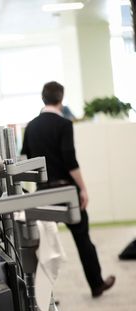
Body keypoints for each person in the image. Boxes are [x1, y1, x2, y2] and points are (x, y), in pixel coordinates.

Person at [21, 81, 115, 298]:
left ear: (43, 98)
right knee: (83, 239)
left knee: (41, 244)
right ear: (61, 99)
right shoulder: (64, 125)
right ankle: (96, 284)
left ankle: (44, 296)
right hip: (65, 192)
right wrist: (83, 188)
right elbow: (69, 160)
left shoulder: (31, 126)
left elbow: (26, 156)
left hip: (42, 192)